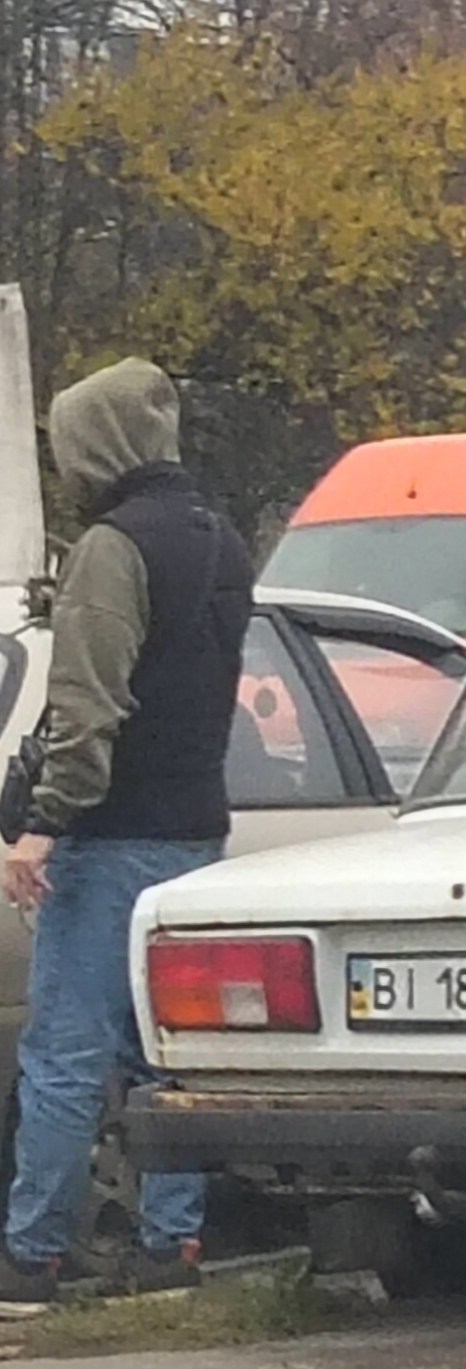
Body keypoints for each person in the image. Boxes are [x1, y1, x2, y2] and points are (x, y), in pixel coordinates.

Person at [0, 360, 251, 1314]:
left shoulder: (113, 547)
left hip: (111, 838)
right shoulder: (222, 539)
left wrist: (41, 826)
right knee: (166, 1048)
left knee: (64, 1048)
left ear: (94, 445)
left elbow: (88, 712)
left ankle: (31, 1256)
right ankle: (172, 1243)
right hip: (195, 829)